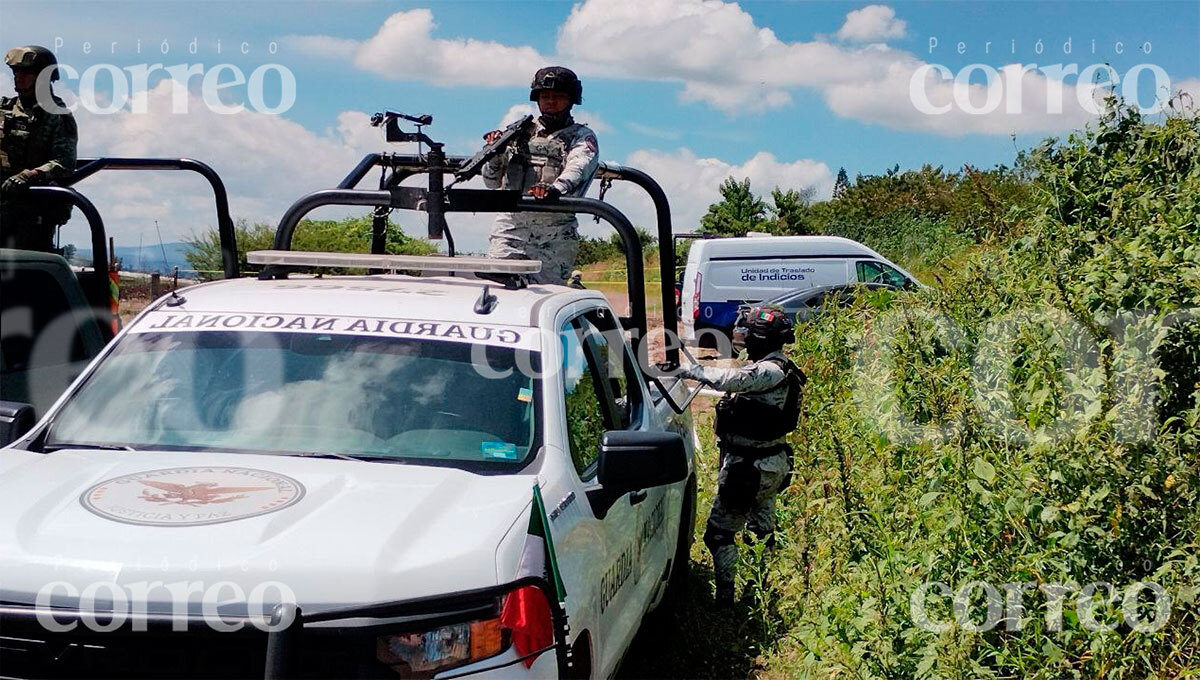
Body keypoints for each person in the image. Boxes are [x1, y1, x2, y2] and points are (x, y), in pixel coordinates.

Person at [679, 305, 806, 606]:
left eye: (748, 332)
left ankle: (726, 599)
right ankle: (755, 595)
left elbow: (730, 380)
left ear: (760, 338)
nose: (743, 337)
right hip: (769, 464)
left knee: (719, 534)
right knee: (761, 533)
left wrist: (689, 370)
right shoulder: (782, 367)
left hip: (748, 467)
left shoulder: (770, 371)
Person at [482, 66, 598, 285]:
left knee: (547, 297)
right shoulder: (517, 132)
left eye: (558, 96)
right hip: (511, 228)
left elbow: (579, 167)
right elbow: (490, 181)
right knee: (499, 290)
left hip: (554, 234)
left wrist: (555, 189)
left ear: (571, 99)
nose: (550, 101)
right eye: (545, 96)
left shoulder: (581, 137)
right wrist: (494, 153)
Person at [1, 45, 77, 252]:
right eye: (16, 72)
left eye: (26, 72)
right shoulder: (5, 109)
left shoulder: (57, 115)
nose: (19, 77)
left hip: (30, 211)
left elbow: (65, 163)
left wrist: (29, 176)